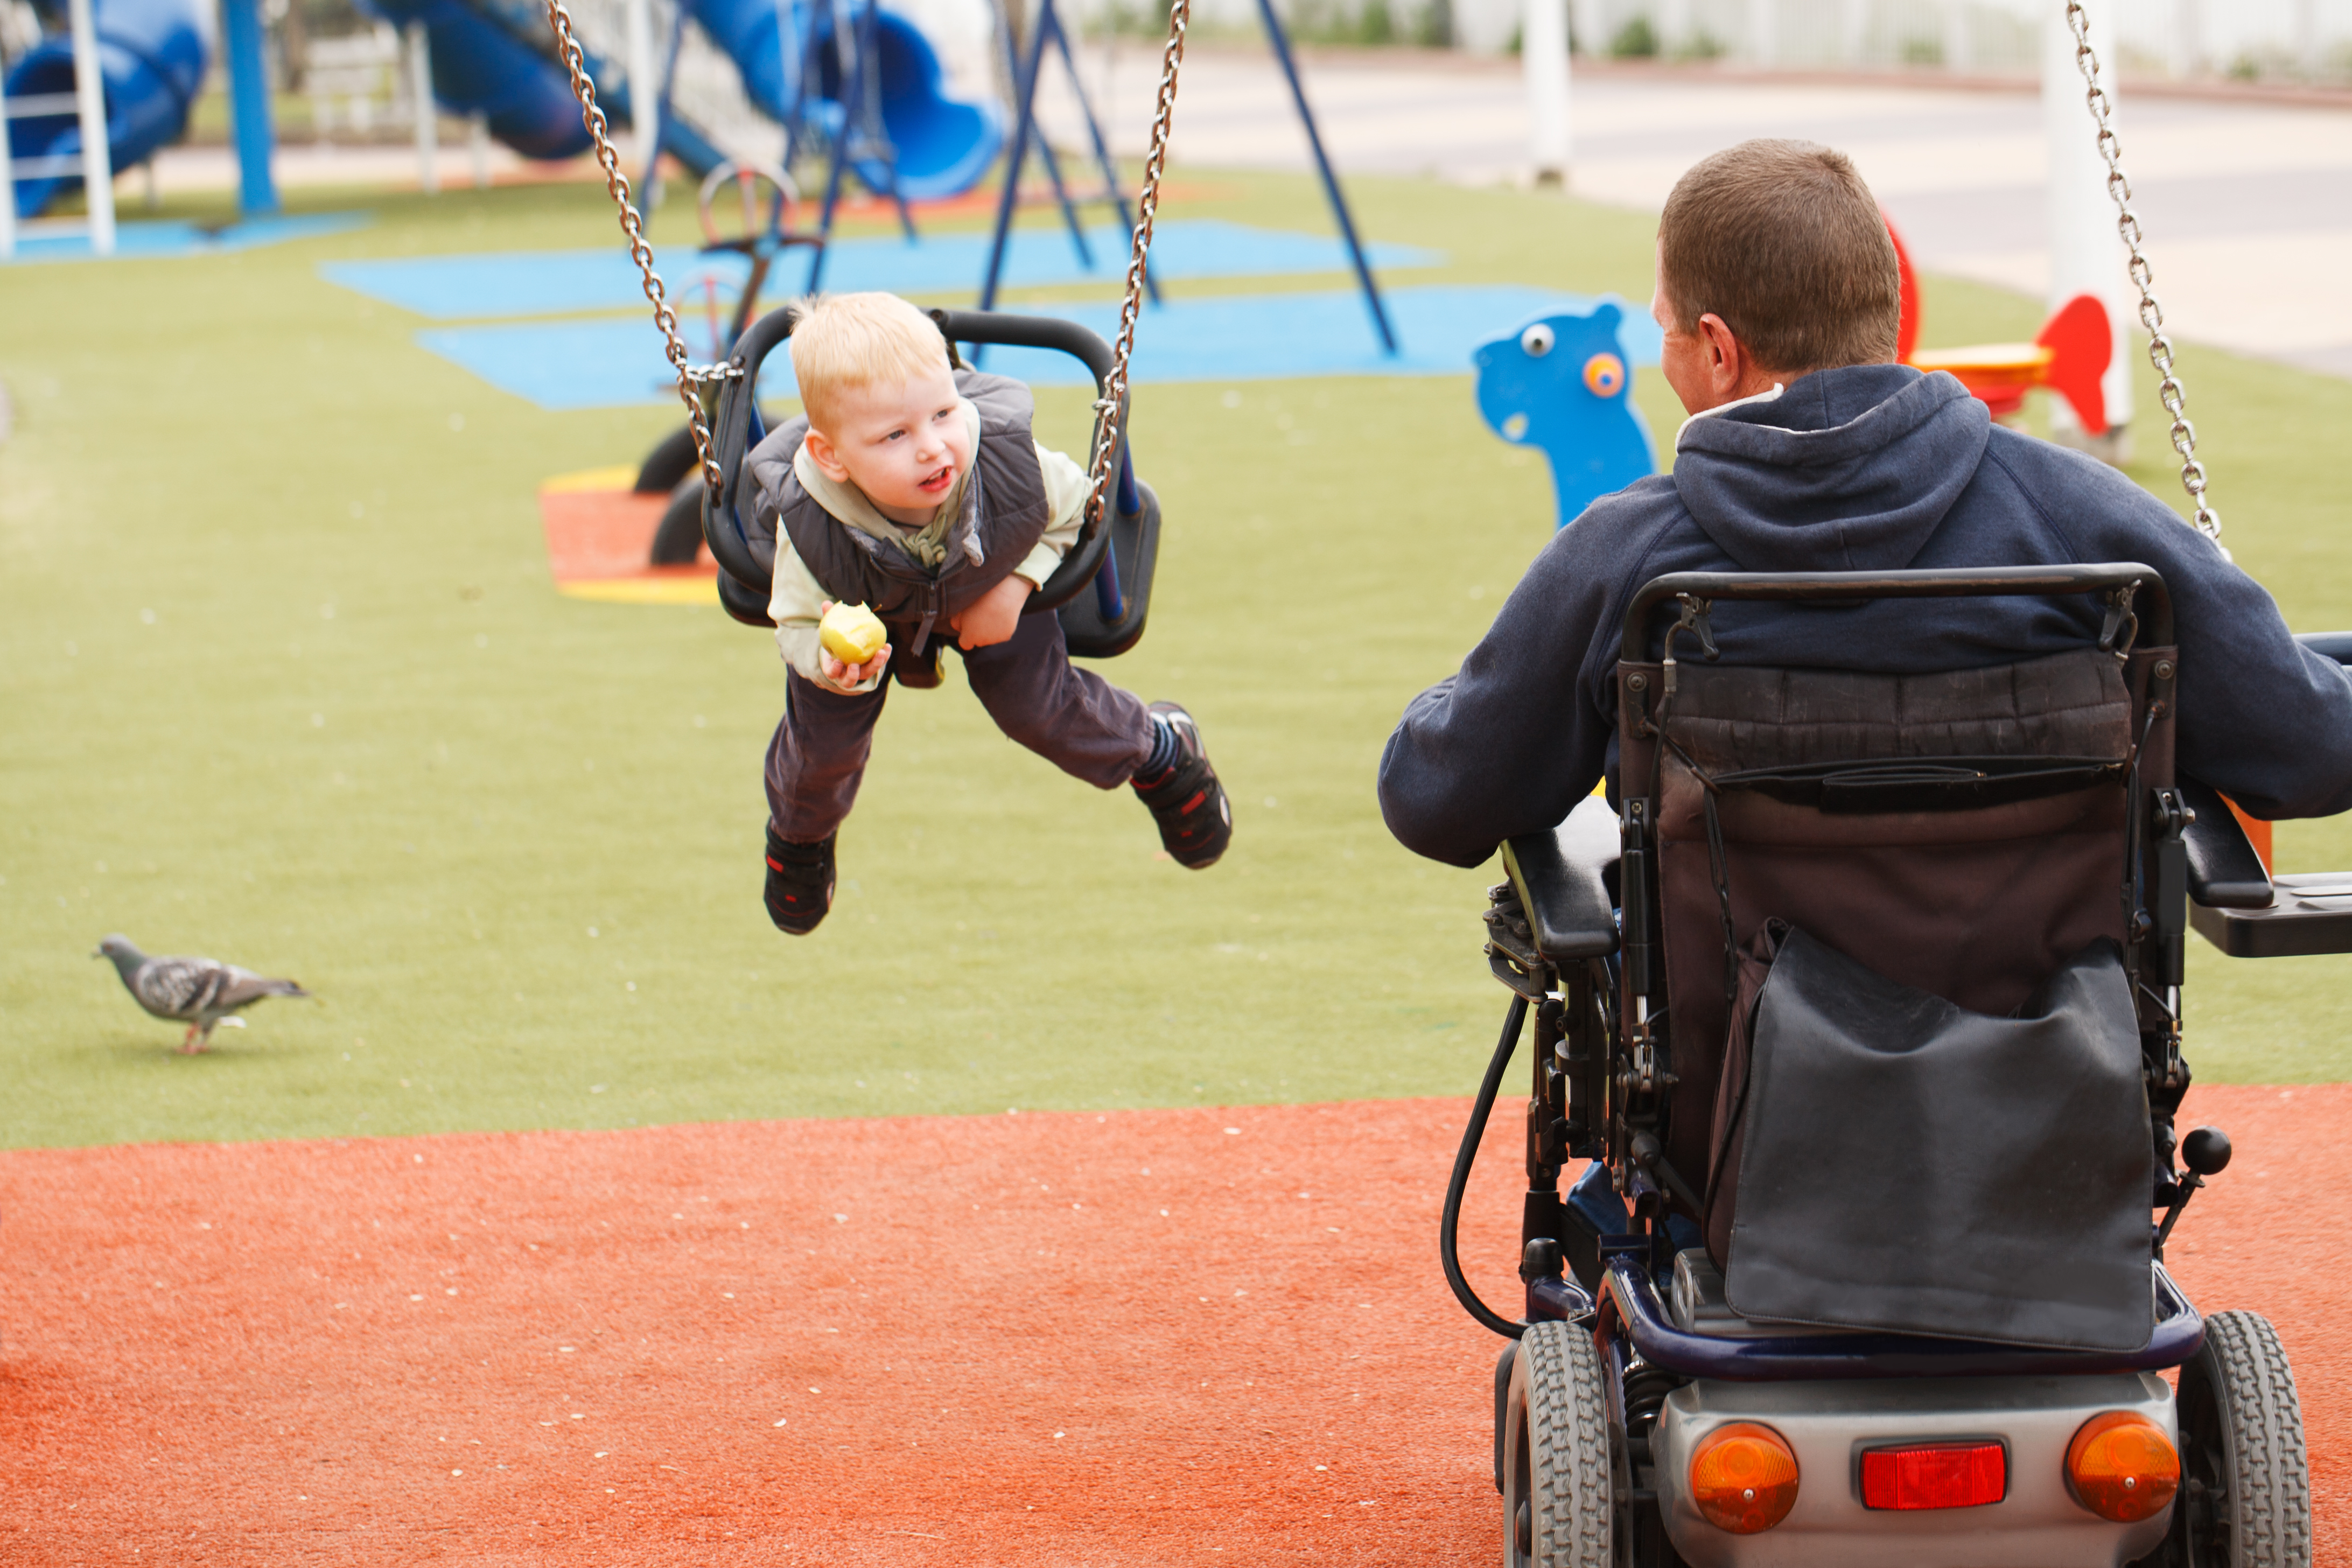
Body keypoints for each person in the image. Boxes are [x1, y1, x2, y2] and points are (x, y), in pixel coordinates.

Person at [1378, 138, 2352, 867]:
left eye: (1664, 329)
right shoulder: (2079, 520)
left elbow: (1438, 799)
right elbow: (2306, 747)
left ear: (1717, 351)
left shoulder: (1626, 558)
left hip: (1725, 1108)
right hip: (2057, 1088)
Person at [750, 292, 1231, 933]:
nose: (932, 448)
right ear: (832, 455)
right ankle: (800, 836)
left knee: (1040, 706)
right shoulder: (810, 515)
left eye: (944, 411)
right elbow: (797, 621)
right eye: (895, 434)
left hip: (989, 572)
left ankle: (1160, 748)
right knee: (823, 746)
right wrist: (831, 662)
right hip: (859, 598)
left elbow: (1076, 510)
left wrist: (1017, 585)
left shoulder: (1002, 458)